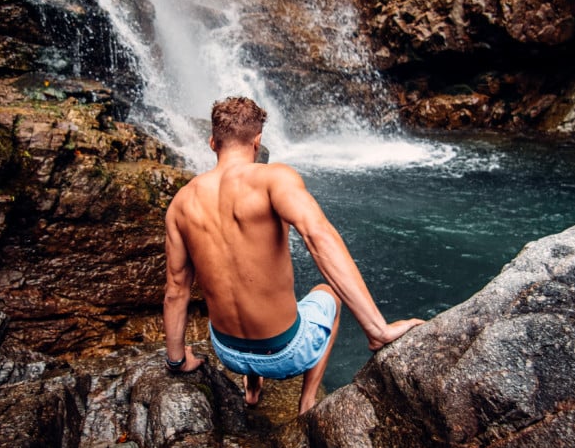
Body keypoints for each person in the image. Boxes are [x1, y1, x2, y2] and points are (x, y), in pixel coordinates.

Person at [163, 96, 423, 415]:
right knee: (326, 294)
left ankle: (253, 387)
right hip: (286, 354)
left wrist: (177, 360)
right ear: (257, 142)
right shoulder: (273, 179)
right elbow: (318, 237)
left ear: (212, 142)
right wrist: (377, 330)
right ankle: (307, 404)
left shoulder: (181, 202)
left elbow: (176, 290)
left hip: (226, 352)